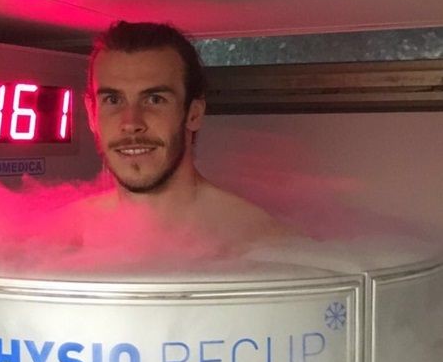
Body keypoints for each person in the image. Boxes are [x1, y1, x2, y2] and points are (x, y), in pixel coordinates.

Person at [81, 20, 289, 248]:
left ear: (193, 114)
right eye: (113, 100)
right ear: (91, 113)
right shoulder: (66, 234)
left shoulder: (258, 240)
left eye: (154, 100)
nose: (131, 123)